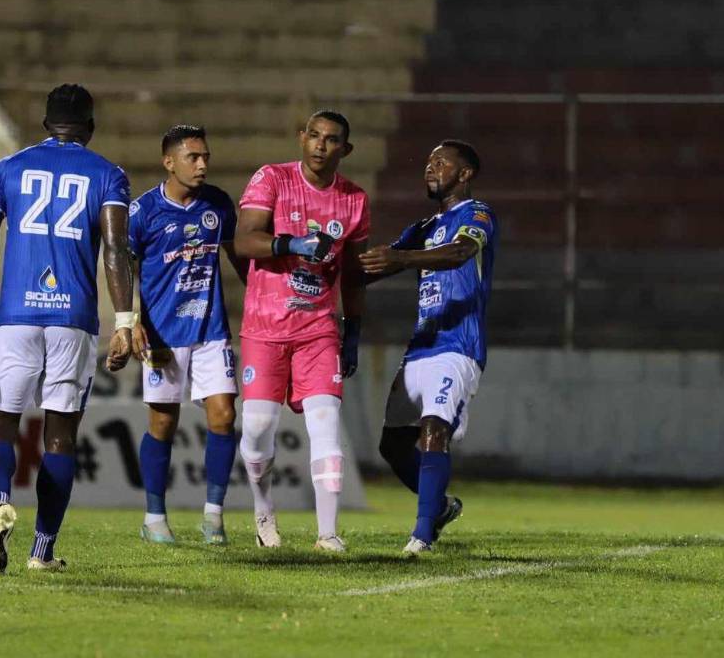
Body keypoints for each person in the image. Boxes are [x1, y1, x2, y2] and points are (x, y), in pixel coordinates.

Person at [0, 83, 134, 573]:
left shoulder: (9, 168)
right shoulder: (107, 175)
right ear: (91, 127)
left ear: (45, 125)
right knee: (59, 437)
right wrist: (124, 320)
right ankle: (41, 551)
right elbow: (116, 249)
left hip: (15, 316)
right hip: (73, 321)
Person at [232, 111, 369, 552]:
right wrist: (290, 243)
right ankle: (263, 513)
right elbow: (244, 240)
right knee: (256, 427)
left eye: (331, 140)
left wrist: (353, 332)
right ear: (301, 137)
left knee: (326, 422)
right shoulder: (271, 178)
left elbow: (352, 274)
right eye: (313, 136)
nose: (319, 145)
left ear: (344, 150)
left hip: (318, 329)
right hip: (265, 326)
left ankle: (328, 534)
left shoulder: (354, 200)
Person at [360, 140, 495, 557]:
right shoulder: (421, 228)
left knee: (434, 428)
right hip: (421, 345)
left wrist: (402, 257)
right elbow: (380, 265)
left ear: (465, 173)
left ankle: (422, 536)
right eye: (427, 161)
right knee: (392, 445)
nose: (430, 168)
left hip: (457, 344)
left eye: (440, 162)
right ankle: (440, 506)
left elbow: (459, 253)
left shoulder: (477, 214)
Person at [128, 125, 250, 545]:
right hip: (163, 334)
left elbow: (238, 259)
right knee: (163, 423)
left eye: (205, 157)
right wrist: (131, 320)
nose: (202, 165)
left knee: (225, 415)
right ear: (169, 162)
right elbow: (123, 268)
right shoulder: (142, 212)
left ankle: (214, 516)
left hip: (211, 329)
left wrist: (262, 300)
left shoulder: (217, 203)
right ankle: (154, 517)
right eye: (193, 157)